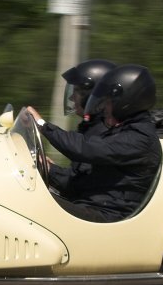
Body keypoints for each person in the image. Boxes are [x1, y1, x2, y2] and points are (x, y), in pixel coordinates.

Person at [27, 64, 162, 222]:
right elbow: (84, 181)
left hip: (106, 215)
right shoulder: (124, 132)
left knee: (30, 205)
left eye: (109, 102)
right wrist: (49, 169)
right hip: (93, 207)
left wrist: (43, 125)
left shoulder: (139, 137)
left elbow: (86, 148)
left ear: (125, 102)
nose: (104, 107)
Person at [47, 59, 116, 196]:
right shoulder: (93, 127)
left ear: (92, 95)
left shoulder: (104, 132)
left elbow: (78, 185)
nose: (72, 97)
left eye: (77, 91)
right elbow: (80, 175)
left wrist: (50, 170)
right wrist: (49, 167)